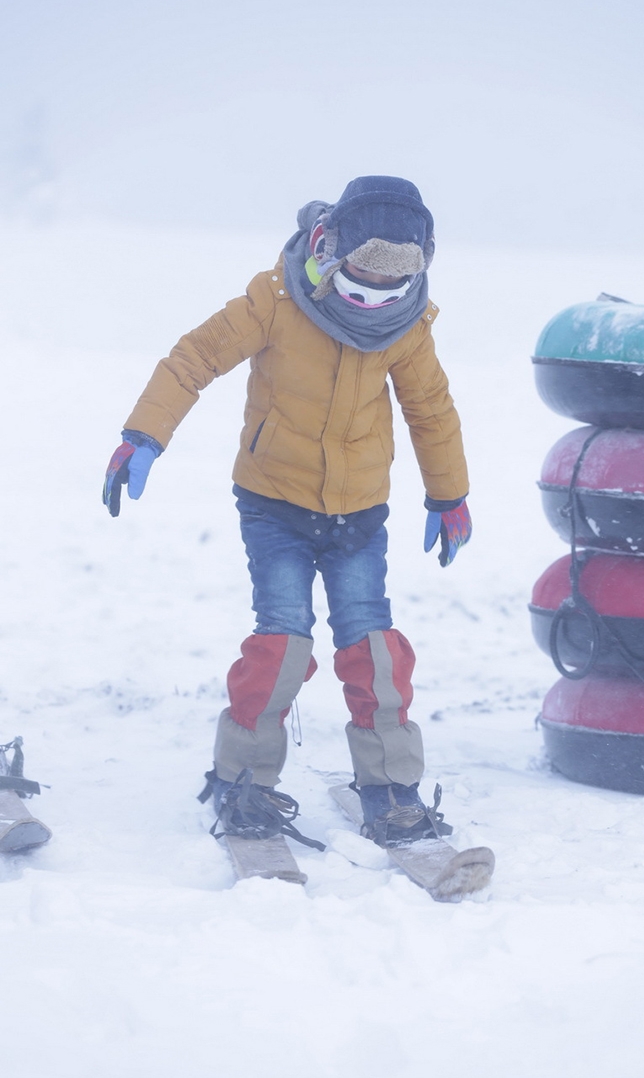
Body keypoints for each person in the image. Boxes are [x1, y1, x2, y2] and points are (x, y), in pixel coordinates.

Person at [103, 176, 471, 845]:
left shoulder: (408, 325)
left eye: (391, 283)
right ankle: (242, 778)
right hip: (275, 505)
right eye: (361, 277)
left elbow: (430, 408)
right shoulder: (275, 299)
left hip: (359, 511)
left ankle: (391, 786)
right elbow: (195, 358)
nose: (373, 295)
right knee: (282, 642)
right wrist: (143, 435)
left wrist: (449, 495)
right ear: (330, 250)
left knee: (374, 649)